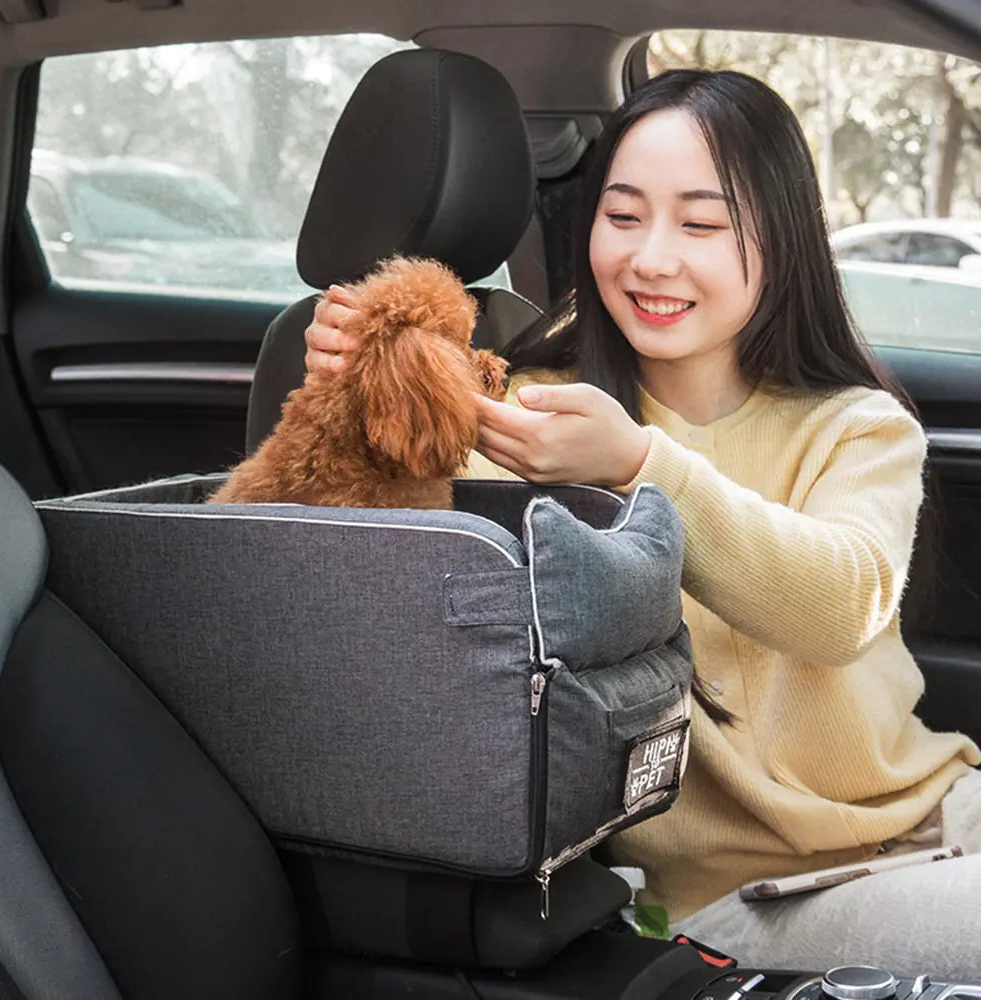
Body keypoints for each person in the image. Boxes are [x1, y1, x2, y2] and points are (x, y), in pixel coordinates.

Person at [303, 69, 981, 977]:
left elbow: (841, 603)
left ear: (781, 241)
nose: (652, 259)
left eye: (701, 224)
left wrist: (639, 468)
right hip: (750, 896)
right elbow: (348, 582)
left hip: (937, 814)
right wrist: (342, 397)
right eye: (622, 217)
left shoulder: (856, 424)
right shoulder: (525, 421)